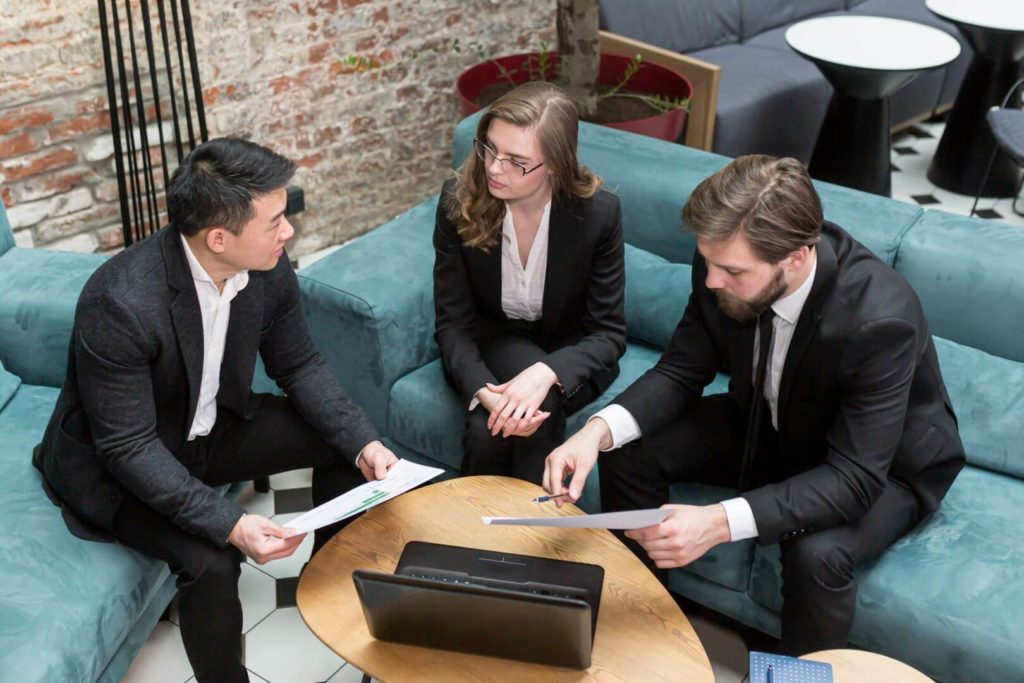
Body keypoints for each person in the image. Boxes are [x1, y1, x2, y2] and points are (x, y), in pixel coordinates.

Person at [542, 155, 965, 655]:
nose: (713, 280)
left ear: (797, 256)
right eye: (710, 261)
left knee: (816, 552)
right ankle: (646, 625)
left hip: (882, 467)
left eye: (733, 271)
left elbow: (853, 478)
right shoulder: (721, 257)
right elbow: (681, 370)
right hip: (769, 419)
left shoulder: (880, 319)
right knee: (627, 449)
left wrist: (716, 522)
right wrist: (595, 432)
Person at [32, 137, 398, 682]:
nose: (288, 231)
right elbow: (128, 447)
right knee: (212, 561)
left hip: (205, 434)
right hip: (119, 468)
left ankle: (330, 582)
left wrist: (365, 442)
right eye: (275, 220)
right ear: (218, 237)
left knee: (340, 441)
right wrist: (231, 523)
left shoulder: (267, 265)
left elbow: (298, 366)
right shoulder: (120, 302)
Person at [433, 81, 627, 485]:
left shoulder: (598, 215)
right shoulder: (459, 199)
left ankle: (483, 540)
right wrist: (482, 391)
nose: (493, 168)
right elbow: (453, 323)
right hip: (498, 343)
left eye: (516, 161)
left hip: (571, 354)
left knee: (505, 427)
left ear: (555, 164)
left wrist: (547, 373)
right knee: (504, 421)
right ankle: (515, 539)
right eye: (489, 148)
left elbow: (608, 334)